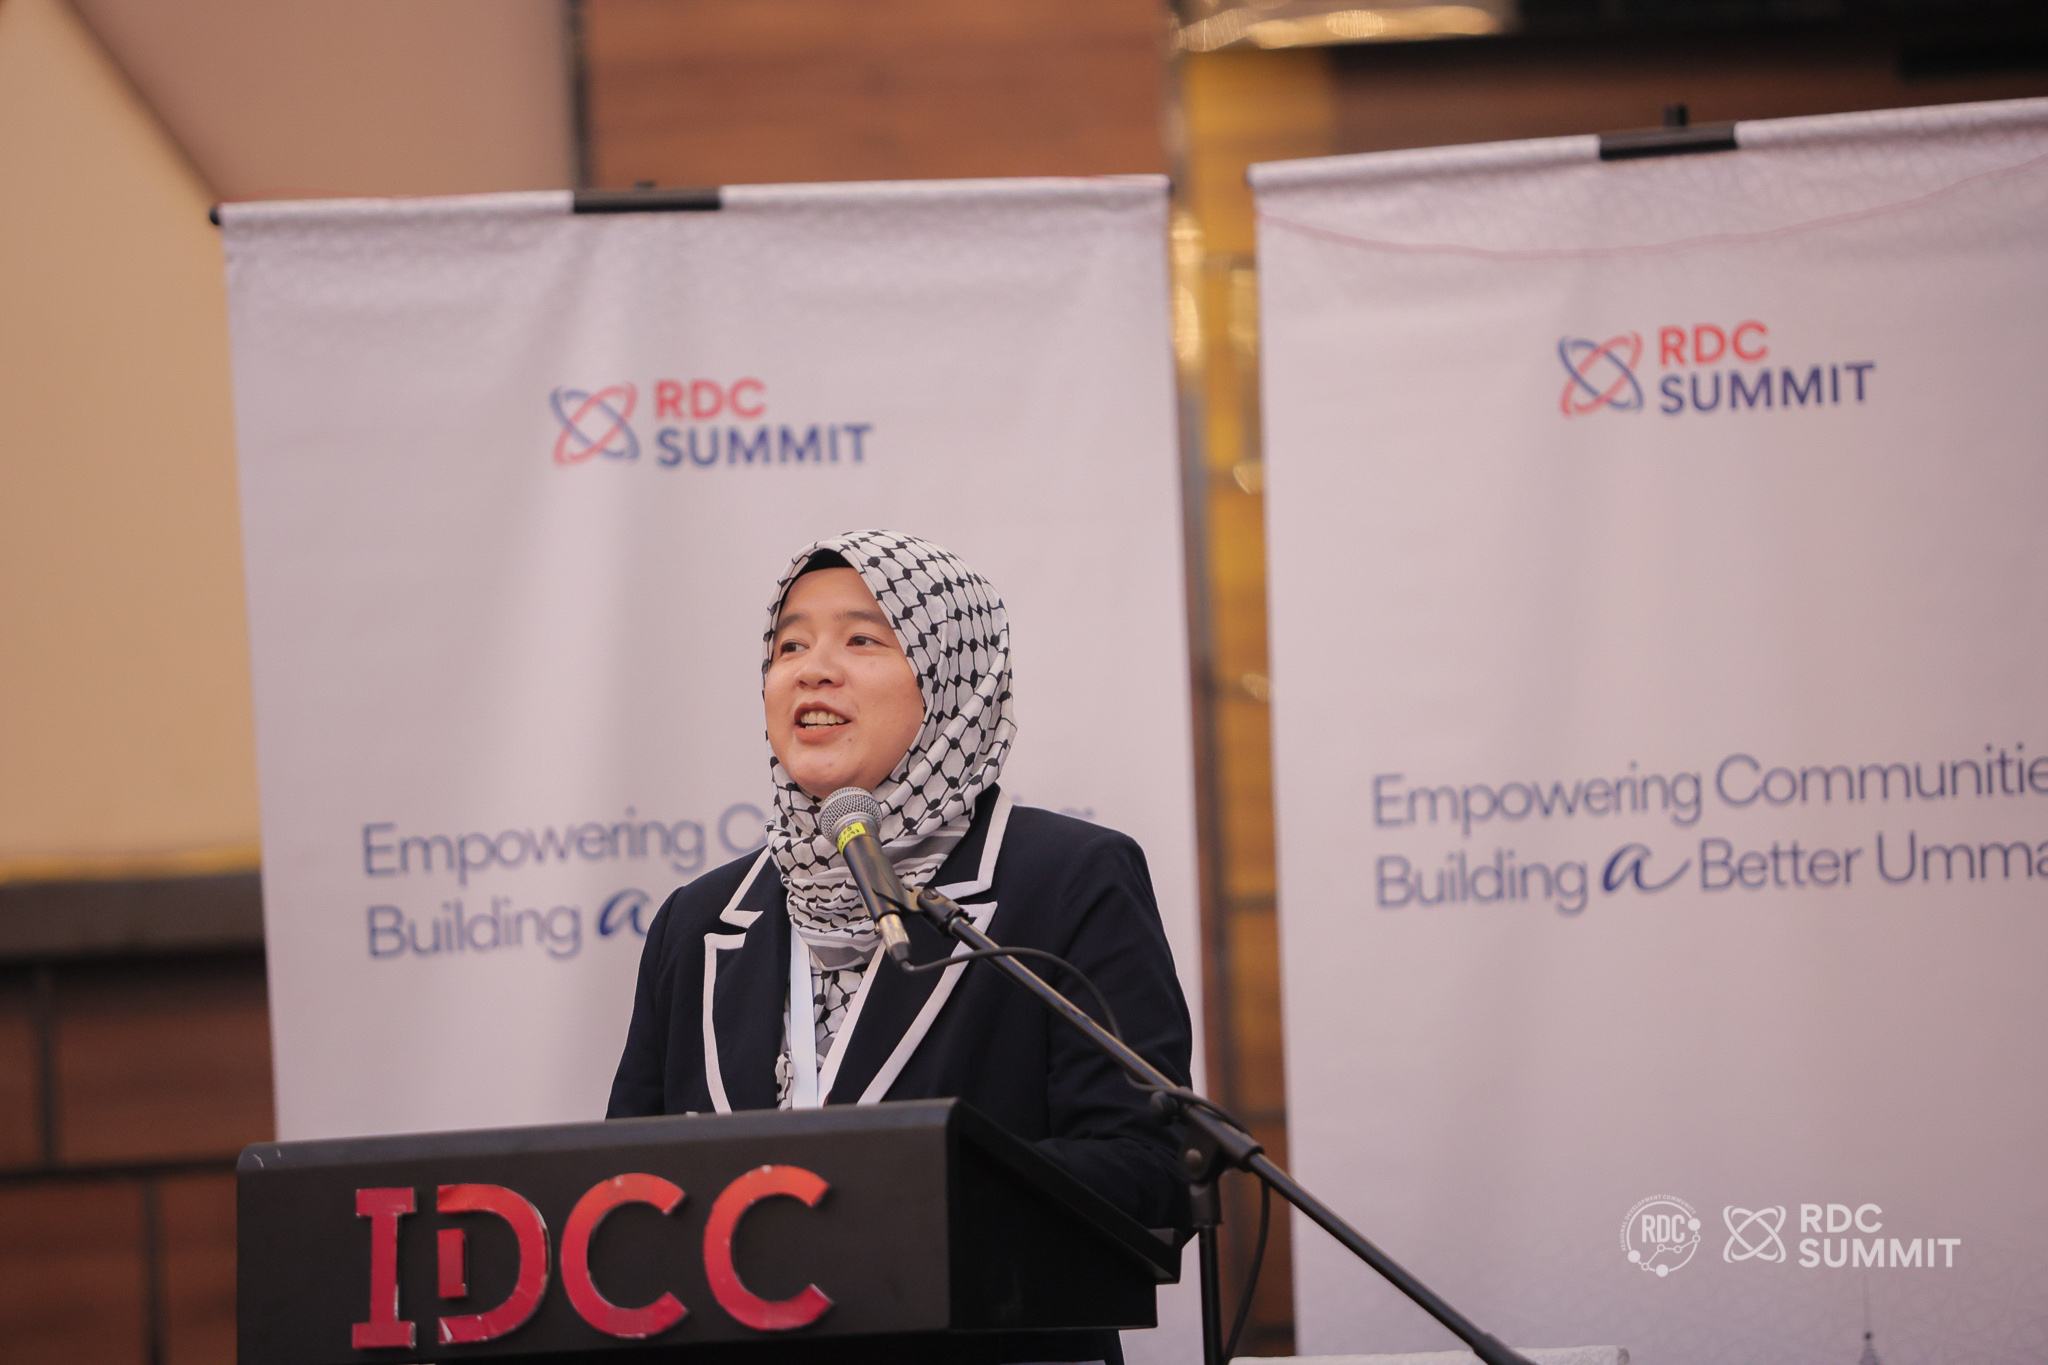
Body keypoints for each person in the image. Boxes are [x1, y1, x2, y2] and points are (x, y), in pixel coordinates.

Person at [607, 529, 1193, 1362]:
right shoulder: (697, 920)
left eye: (862, 639)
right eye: (789, 645)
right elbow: (620, 1201)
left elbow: (1145, 1173)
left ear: (951, 676)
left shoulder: (1066, 880)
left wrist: (895, 1196)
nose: (812, 669)